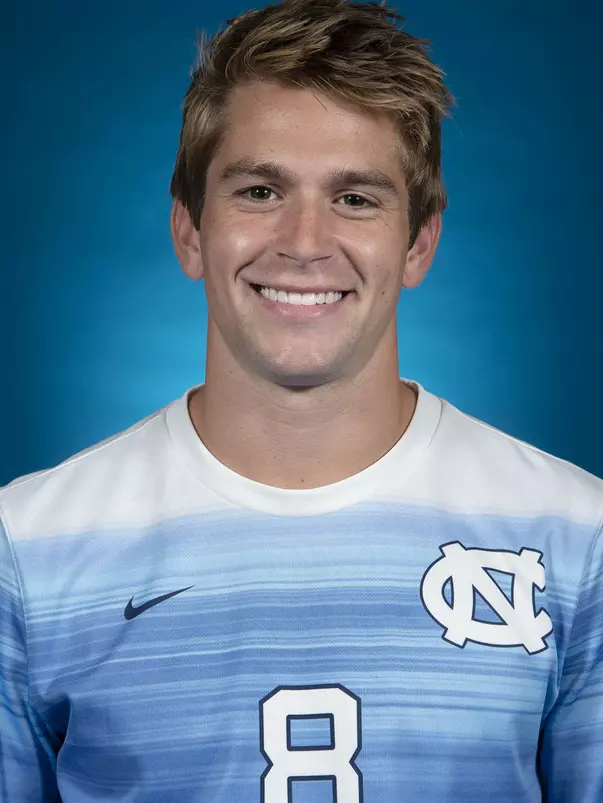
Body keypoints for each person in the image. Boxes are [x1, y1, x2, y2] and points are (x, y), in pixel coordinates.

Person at [1, 0, 601, 800]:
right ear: (189, 229)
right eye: (258, 190)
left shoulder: (577, 541)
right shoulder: (28, 550)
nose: (305, 241)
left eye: (355, 198)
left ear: (419, 241)